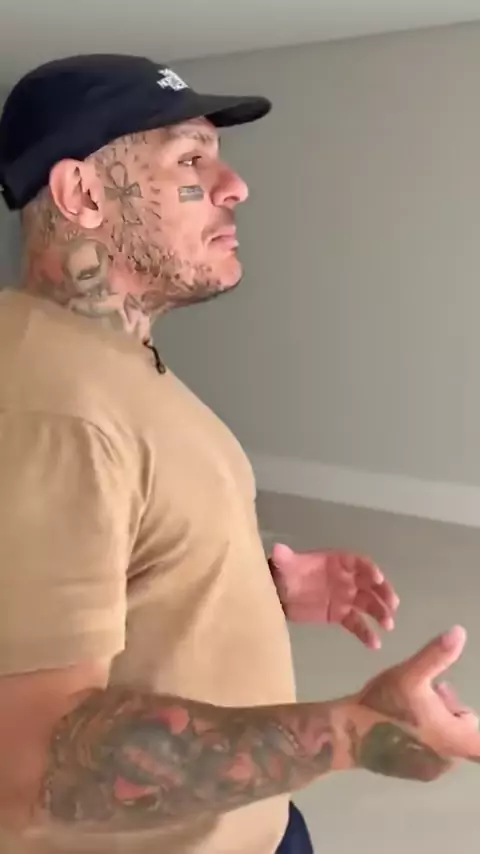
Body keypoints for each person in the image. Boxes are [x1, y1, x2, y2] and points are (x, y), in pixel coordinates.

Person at [0, 54, 478, 854]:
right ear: (82, 193)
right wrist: (351, 732)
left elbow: (94, 566)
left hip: (251, 822)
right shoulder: (51, 410)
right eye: (190, 160)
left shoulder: (110, 363)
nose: (235, 186)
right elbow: (32, 770)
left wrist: (243, 584)